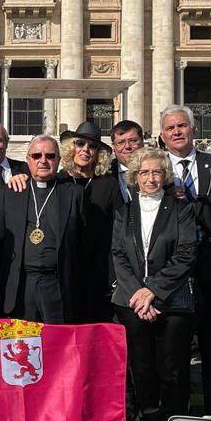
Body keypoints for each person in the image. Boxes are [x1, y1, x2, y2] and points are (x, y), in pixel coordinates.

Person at [111, 147, 197, 421]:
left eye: (157, 172)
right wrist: (138, 293)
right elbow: (119, 254)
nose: (151, 178)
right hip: (132, 302)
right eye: (145, 172)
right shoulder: (125, 210)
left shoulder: (180, 208)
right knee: (142, 369)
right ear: (134, 176)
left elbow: (186, 252)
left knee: (173, 370)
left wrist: (154, 292)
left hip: (172, 301)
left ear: (165, 175)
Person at [159, 105, 211, 412]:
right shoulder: (155, 167)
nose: (176, 132)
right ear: (162, 136)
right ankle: (175, 417)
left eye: (182, 126)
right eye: (170, 128)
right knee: (173, 350)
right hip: (172, 269)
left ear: (194, 129)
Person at [0, 135, 84, 323]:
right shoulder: (13, 191)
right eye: (36, 155)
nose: (43, 160)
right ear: (28, 160)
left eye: (50, 156)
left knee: (56, 346)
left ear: (58, 160)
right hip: (21, 286)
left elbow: (83, 241)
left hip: (57, 286)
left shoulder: (73, 193)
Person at [58, 121, 120, 322]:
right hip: (64, 268)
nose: (85, 150)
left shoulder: (109, 184)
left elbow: (117, 227)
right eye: (80, 144)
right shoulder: (59, 180)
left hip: (98, 268)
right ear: (71, 147)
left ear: (99, 153)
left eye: (92, 146)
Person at [110, 120, 145, 204]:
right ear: (113, 146)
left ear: (142, 142)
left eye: (133, 141)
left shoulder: (159, 171)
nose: (127, 146)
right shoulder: (103, 176)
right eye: (120, 142)